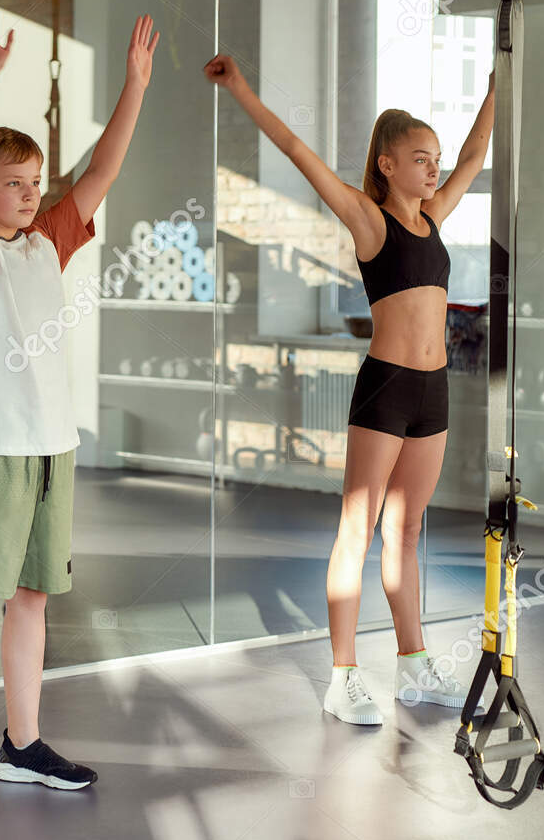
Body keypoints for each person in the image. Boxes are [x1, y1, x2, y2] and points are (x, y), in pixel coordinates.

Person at [204, 51, 495, 726]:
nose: (435, 167)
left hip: (433, 391)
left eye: (436, 158)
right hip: (387, 388)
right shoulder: (371, 220)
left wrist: (493, 89)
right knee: (357, 530)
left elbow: (477, 155)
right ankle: (342, 676)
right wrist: (242, 88)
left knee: (408, 529)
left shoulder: (436, 218)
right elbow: (298, 151)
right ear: (389, 164)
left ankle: (415, 665)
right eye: (422, 157)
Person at [0, 4, 158, 806]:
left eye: (34, 183)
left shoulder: (47, 241)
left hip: (50, 445)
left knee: (32, 600)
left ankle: (21, 743)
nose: (28, 195)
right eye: (12, 184)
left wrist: (133, 88)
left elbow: (100, 171)